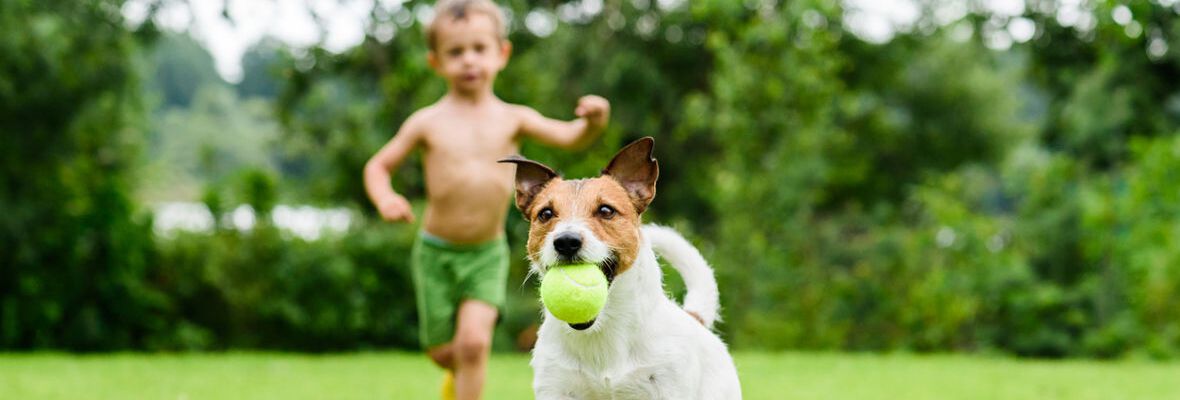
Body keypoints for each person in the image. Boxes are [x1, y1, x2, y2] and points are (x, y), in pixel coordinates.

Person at [362, 1, 610, 398]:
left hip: (486, 254)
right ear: (435, 62)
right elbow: (378, 166)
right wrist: (386, 197)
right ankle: (454, 374)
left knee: (474, 345)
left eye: (479, 48)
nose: (469, 60)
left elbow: (570, 137)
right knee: (443, 351)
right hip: (435, 253)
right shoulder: (427, 122)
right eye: (455, 52)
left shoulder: (513, 117)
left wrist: (594, 121)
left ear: (502, 54)